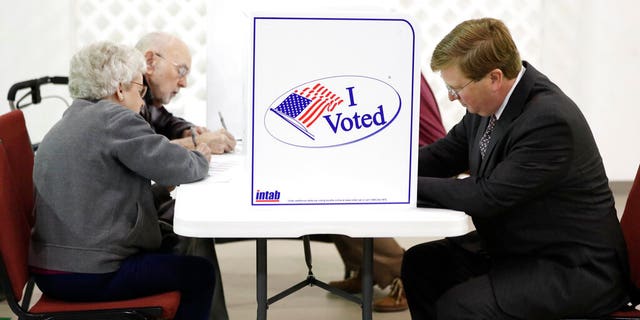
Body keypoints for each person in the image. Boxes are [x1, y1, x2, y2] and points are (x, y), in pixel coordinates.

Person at [401, 17, 630, 320]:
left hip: (572, 268)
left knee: (459, 307)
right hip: (520, 246)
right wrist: (384, 171)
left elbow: (487, 196)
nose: (452, 97)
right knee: (421, 265)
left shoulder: (548, 120)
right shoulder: (488, 107)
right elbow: (442, 156)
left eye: (457, 88)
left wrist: (399, 187)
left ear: (494, 77)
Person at [28, 41, 215, 320]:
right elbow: (181, 167)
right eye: (140, 90)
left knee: (171, 248)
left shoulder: (68, 121)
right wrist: (201, 155)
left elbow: (106, 197)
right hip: (90, 273)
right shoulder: (115, 119)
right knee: (200, 273)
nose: (142, 101)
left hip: (49, 270)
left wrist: (163, 189)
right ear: (119, 89)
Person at [328, 73, 447, 312]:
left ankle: (404, 276)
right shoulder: (376, 64)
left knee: (338, 193)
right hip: (409, 152)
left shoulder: (384, 68)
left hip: (425, 157)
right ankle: (368, 269)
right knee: (326, 184)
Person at [135, 31, 233, 320]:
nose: (184, 82)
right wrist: (198, 144)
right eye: (181, 71)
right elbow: (141, 151)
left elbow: (165, 121)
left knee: (190, 217)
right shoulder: (122, 98)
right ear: (149, 61)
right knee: (187, 222)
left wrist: (195, 133)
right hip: (113, 232)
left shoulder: (140, 96)